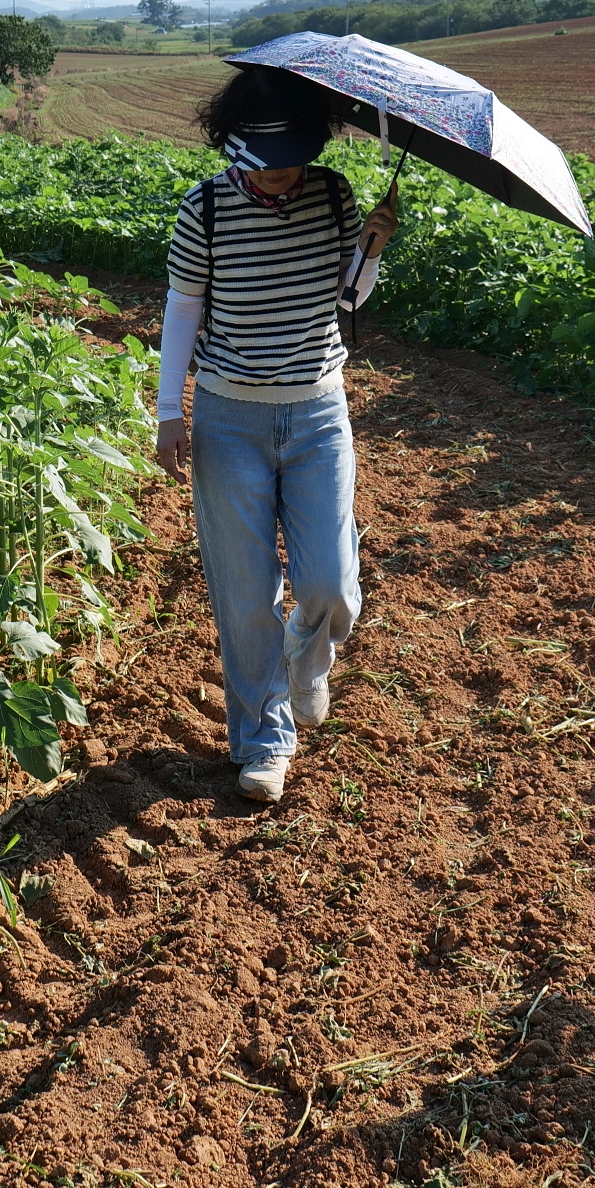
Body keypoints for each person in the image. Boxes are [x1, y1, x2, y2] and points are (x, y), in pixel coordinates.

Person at [152, 65, 399, 804]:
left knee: (331, 584)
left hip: (318, 413)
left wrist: (371, 250)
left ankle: (308, 656)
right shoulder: (205, 209)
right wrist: (170, 410)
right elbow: (183, 310)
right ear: (234, 147)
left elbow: (346, 297)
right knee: (245, 592)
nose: (278, 174)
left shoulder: (333, 194)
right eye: (265, 162)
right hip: (230, 418)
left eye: (291, 159)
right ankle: (265, 739)